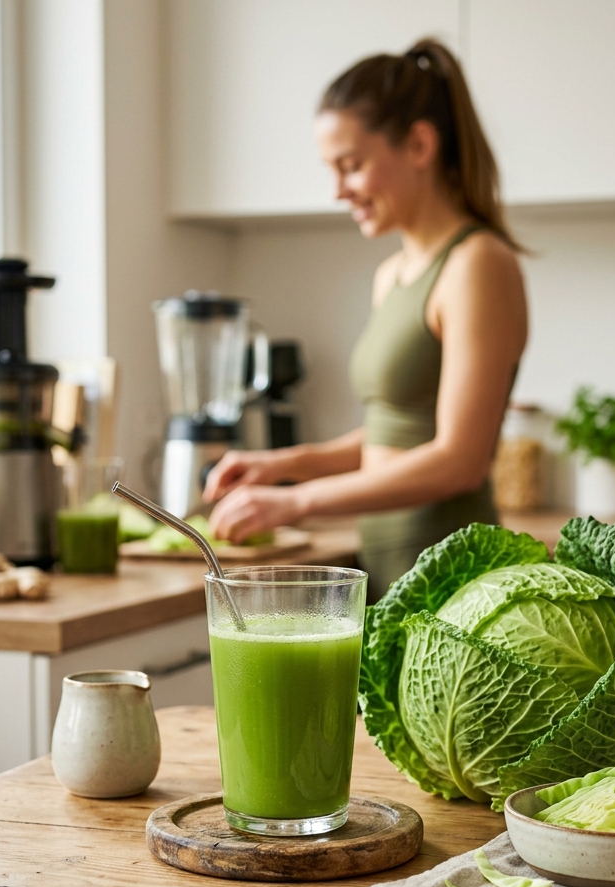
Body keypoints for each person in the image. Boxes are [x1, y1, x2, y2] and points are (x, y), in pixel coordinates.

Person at [204, 38, 528, 601]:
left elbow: (460, 460)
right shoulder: (394, 274)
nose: (338, 190)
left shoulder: (478, 264)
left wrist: (295, 500)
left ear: (420, 144)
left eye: (351, 166)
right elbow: (393, 434)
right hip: (385, 573)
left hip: (456, 585)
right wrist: (283, 465)